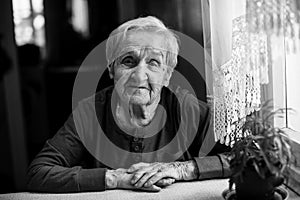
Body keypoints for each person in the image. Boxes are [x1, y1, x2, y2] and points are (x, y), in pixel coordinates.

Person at [27, 16, 231, 193]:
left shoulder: (187, 108)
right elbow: (39, 172)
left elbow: (251, 157)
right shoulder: (91, 112)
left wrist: (182, 169)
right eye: (128, 61)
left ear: (167, 75)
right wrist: (115, 178)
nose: (139, 75)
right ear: (111, 69)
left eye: (153, 62)